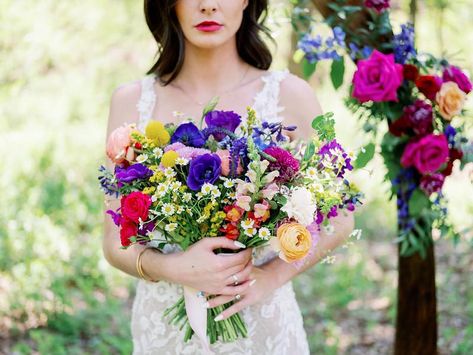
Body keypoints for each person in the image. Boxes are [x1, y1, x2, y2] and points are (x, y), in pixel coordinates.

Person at [102, 1, 355, 353]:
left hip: (262, 322)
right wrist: (174, 267)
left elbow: (340, 216)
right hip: (165, 330)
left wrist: (271, 276)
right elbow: (115, 242)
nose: (208, 5)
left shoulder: (290, 95)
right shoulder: (131, 101)